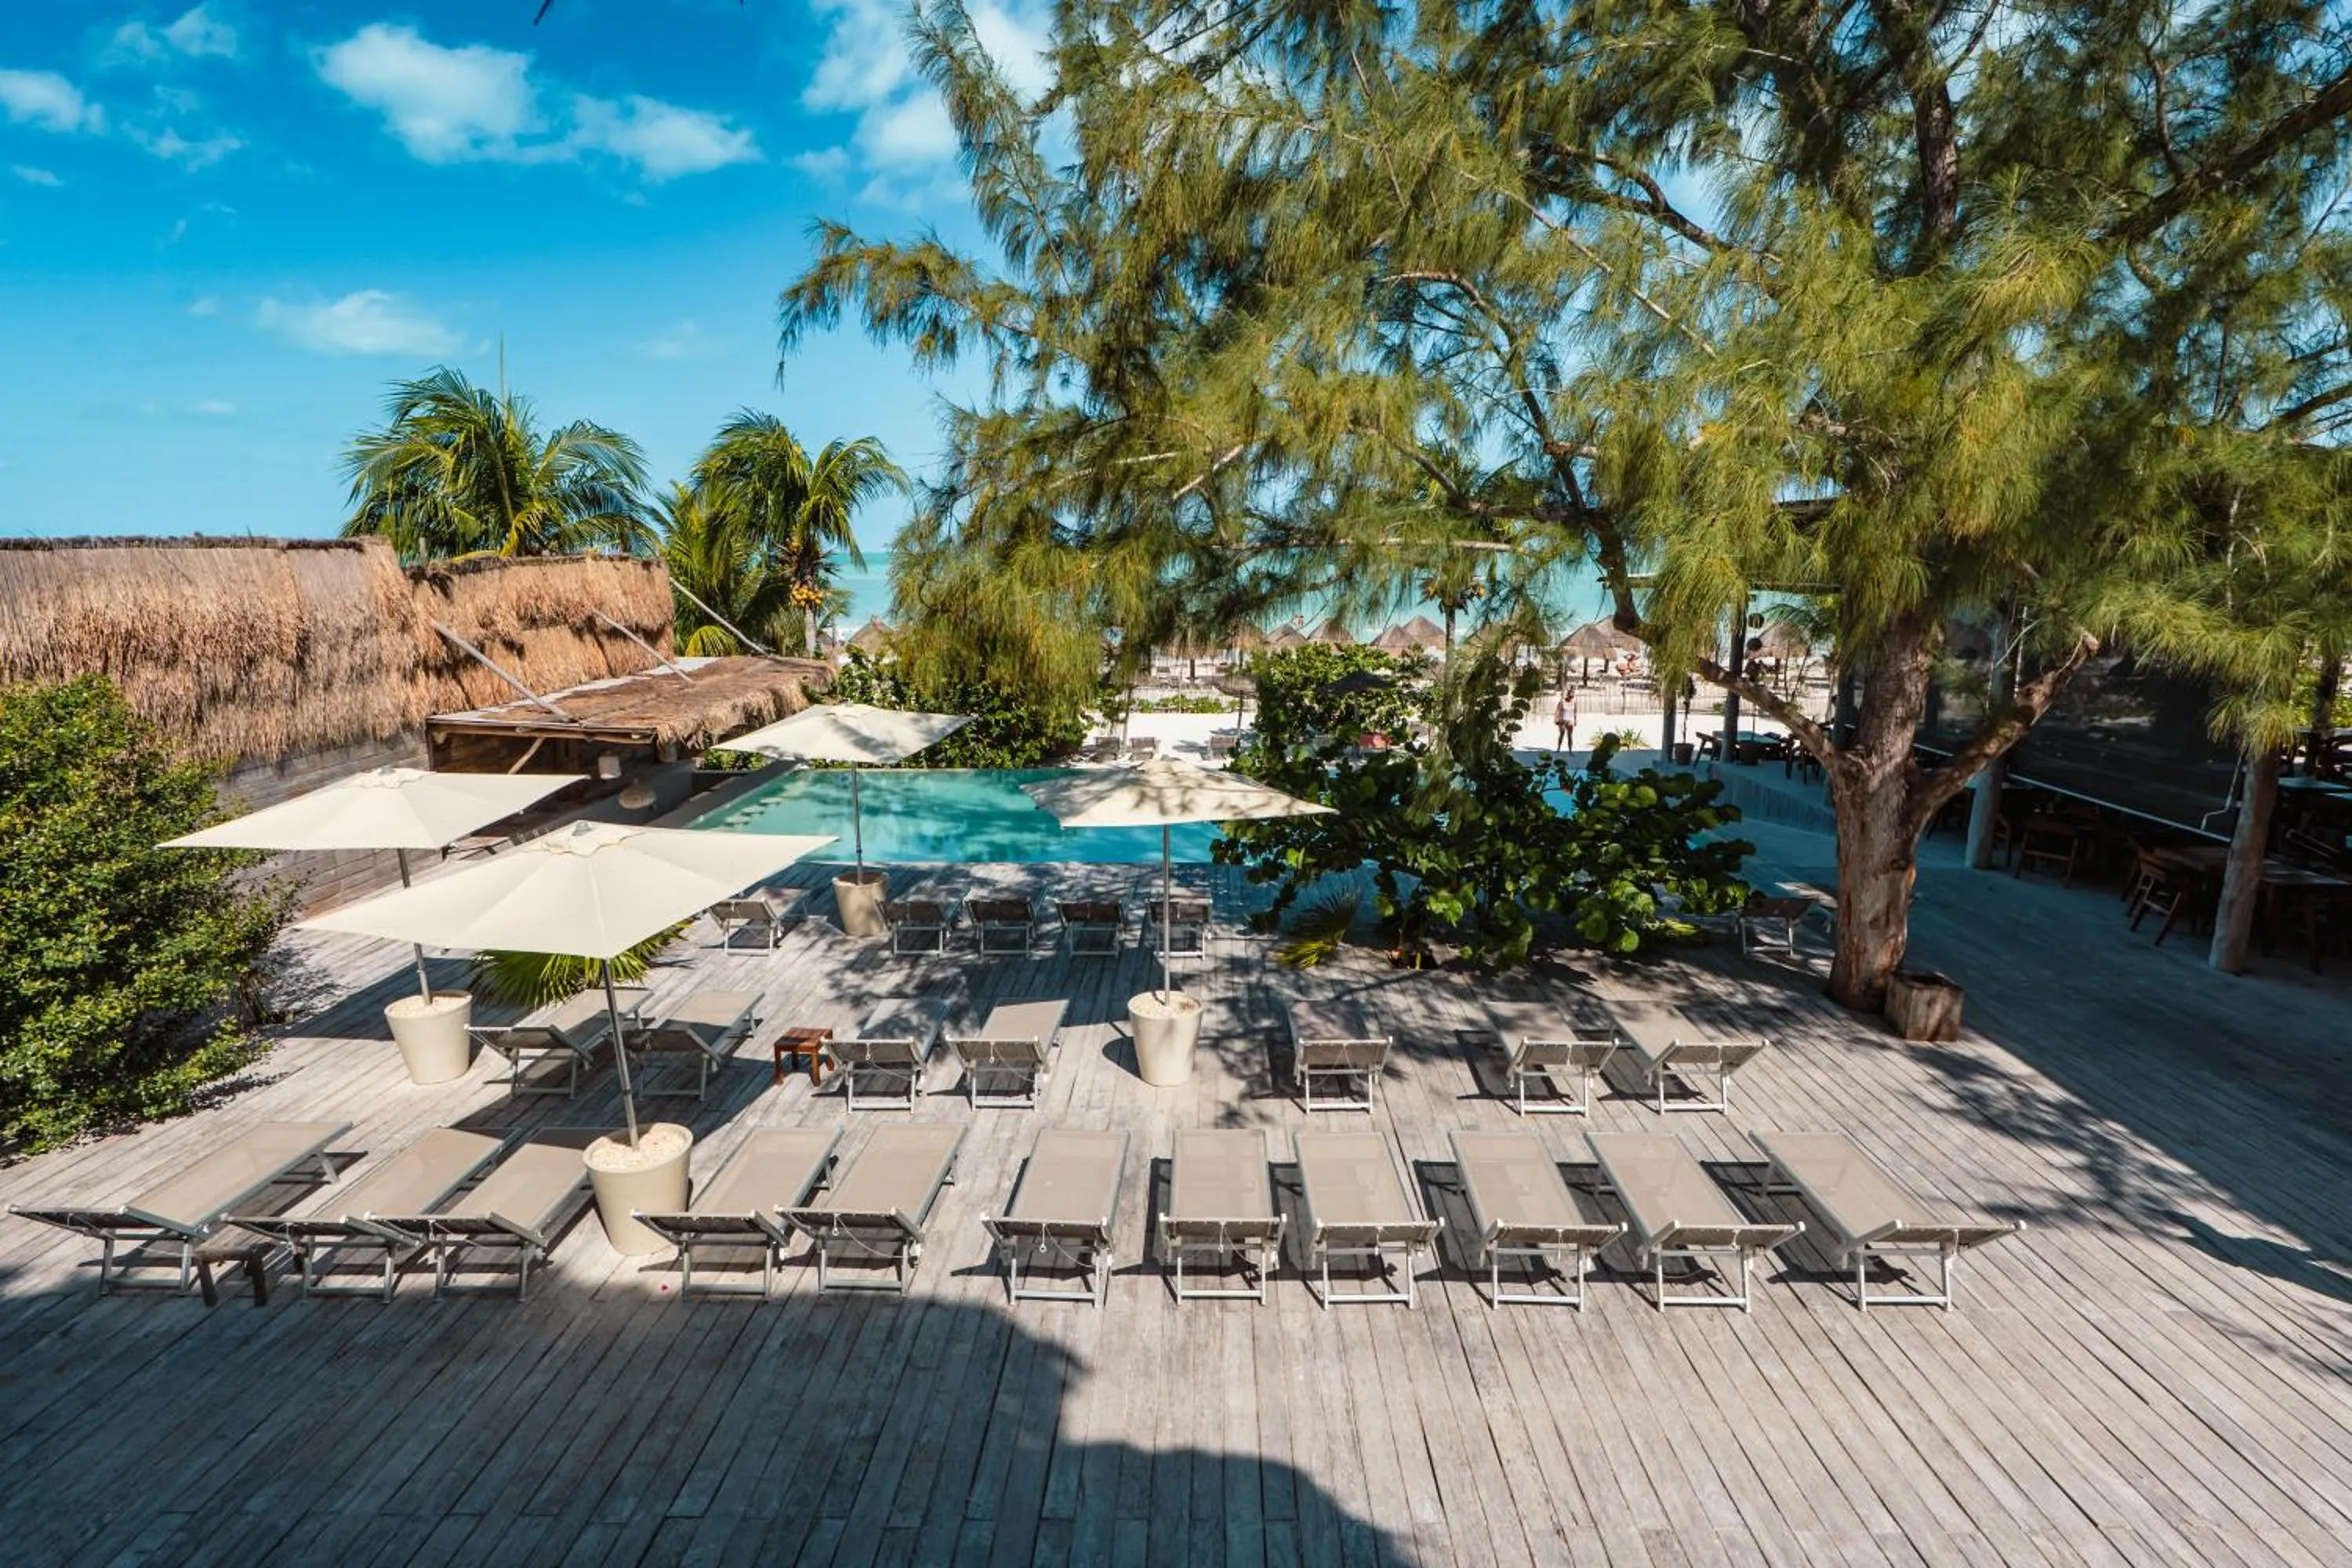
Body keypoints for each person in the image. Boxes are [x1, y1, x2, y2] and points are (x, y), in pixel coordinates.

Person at [1553, 686, 1577, 753]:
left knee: (1570, 736)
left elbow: (1575, 712)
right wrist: (1556, 719)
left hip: (1570, 720)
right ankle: (1559, 748)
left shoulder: (1574, 702)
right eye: (1570, 697)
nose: (1571, 698)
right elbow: (1557, 711)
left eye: (1572, 697)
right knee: (1562, 734)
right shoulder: (1562, 701)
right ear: (1567, 695)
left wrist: (1575, 720)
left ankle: (1570, 750)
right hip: (1562, 720)